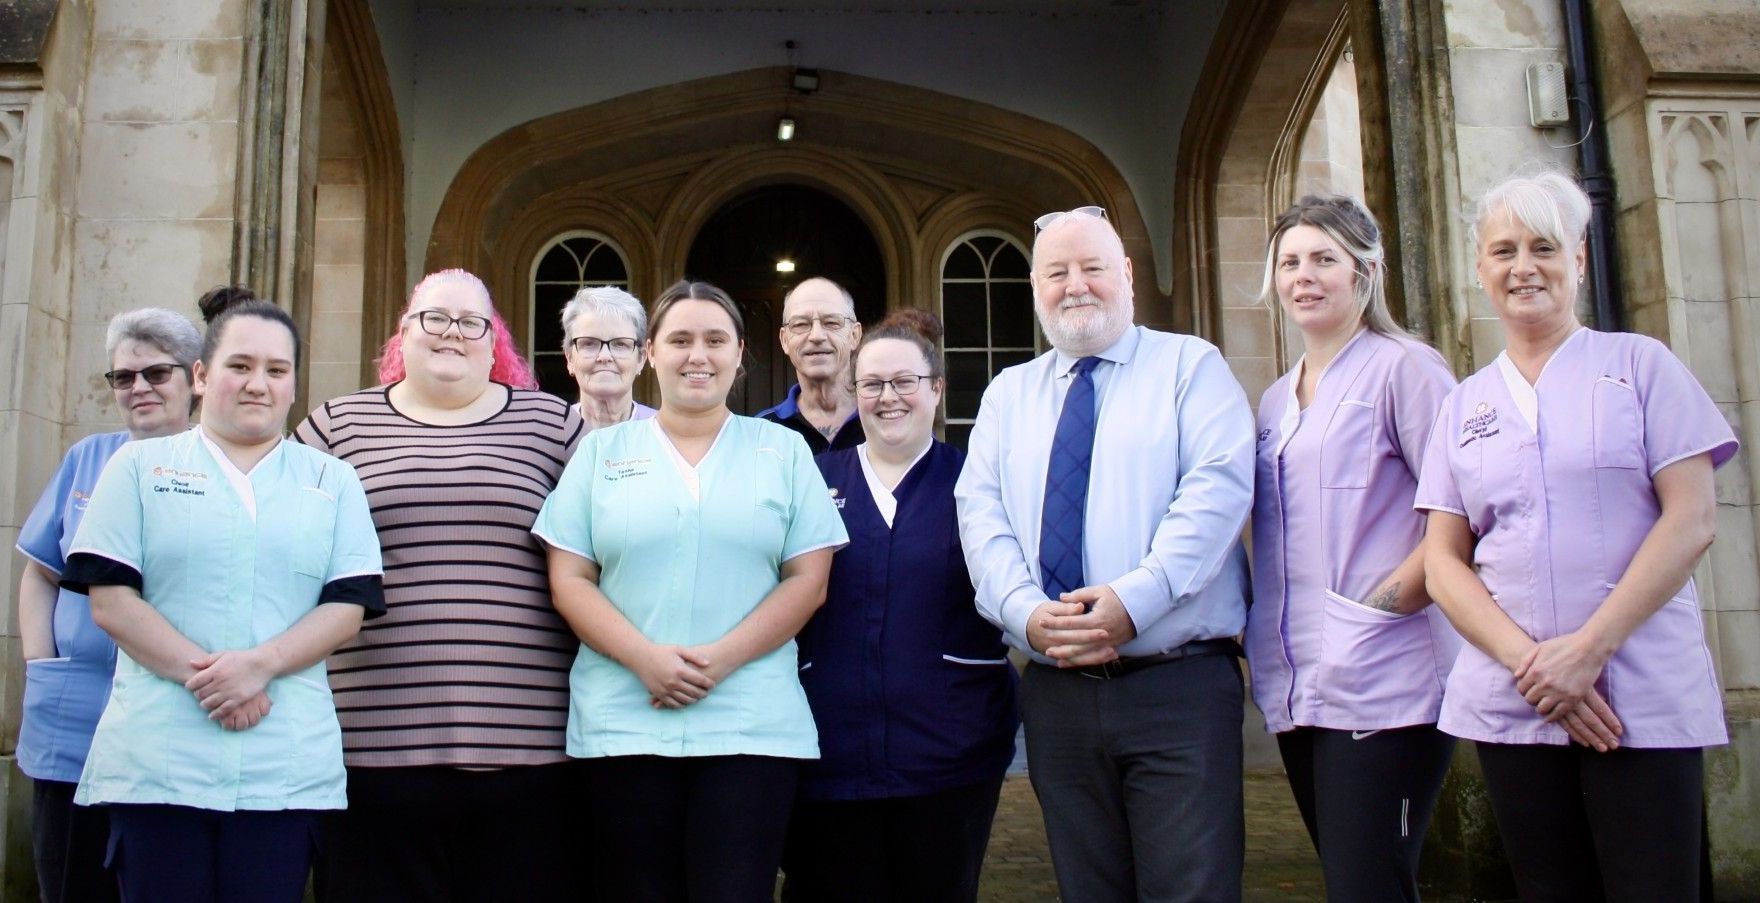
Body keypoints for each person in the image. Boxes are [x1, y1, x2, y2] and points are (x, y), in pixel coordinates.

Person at [1416, 170, 1739, 901]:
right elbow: (1443, 561)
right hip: (1517, 701)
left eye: (1543, 247)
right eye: (1503, 249)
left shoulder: (1640, 367)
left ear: (1581, 260)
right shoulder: (1463, 405)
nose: (1522, 266)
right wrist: (1536, 667)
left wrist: (1587, 652)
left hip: (1639, 697)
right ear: (1479, 266)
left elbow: (1691, 519)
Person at [954, 206, 1255, 902]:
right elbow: (982, 514)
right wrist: (1027, 614)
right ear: (1036, 287)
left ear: (1124, 274)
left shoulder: (1190, 367)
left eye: (1092, 267)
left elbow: (1214, 494)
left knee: (1192, 889)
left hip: (1176, 684)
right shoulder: (1009, 395)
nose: (1075, 285)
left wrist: (1131, 601)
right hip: (1056, 688)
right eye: (1057, 272)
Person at [60, 299, 384, 902]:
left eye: (277, 370)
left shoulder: (331, 481)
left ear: (293, 384)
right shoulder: (138, 467)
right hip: (159, 764)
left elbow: (348, 605)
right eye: (239, 365)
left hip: (283, 765)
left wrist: (259, 667)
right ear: (203, 376)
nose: (258, 383)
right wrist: (213, 679)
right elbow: (110, 599)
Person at [534, 279, 847, 902]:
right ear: (651, 352)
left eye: (714, 340)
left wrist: (721, 659)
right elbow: (570, 578)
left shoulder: (781, 451)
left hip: (749, 723)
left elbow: (808, 581)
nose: (696, 355)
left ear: (740, 354)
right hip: (625, 718)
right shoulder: (601, 454)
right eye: (679, 339)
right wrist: (645, 659)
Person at [295, 269, 586, 901]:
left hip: (529, 748)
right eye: (434, 317)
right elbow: (283, 551)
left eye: (471, 321)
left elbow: (607, 554)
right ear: (404, 331)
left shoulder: (553, 427)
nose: (452, 332)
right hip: (368, 747)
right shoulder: (335, 427)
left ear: (494, 340)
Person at [1243, 196, 1460, 901]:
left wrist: (1372, 612)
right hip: (1300, 684)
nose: (1303, 275)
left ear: (1365, 271)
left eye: (1323, 259)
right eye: (1290, 261)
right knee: (1348, 879)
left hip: (1385, 684)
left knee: (1371, 883)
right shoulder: (1276, 400)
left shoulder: (1407, 369)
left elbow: (1461, 517)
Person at [784, 309, 1018, 903]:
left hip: (950, 757)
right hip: (828, 756)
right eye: (871, 384)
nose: (889, 398)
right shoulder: (809, 481)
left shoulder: (977, 487)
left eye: (905, 382)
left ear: (936, 389)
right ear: (853, 393)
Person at [16, 302, 209, 903]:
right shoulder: (87, 460)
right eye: (124, 377)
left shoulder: (222, 466)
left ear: (195, 378)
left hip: (173, 723)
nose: (139, 388)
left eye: (157, 373)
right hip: (72, 719)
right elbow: (40, 573)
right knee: (70, 880)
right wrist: (41, 664)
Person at [757, 276, 865, 452]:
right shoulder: (763, 431)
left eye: (831, 322)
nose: (816, 336)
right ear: (784, 340)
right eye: (800, 324)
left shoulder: (885, 419)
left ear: (854, 336)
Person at [561, 285, 657, 429]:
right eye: (589, 344)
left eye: (620, 344)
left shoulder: (666, 435)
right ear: (570, 359)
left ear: (641, 359)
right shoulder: (549, 437)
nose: (604, 356)